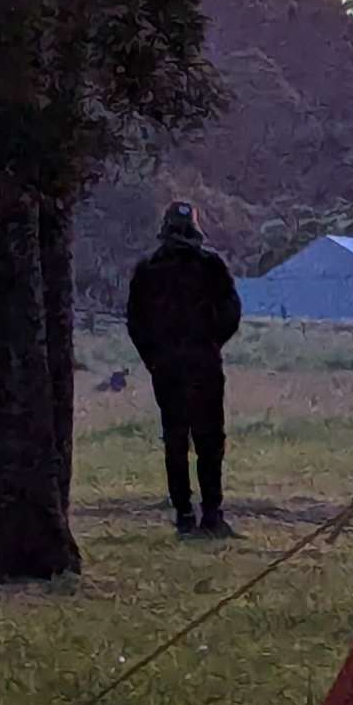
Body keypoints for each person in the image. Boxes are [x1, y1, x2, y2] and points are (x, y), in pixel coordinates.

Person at [124, 202, 243, 535]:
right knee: (209, 439)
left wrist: (154, 358)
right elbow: (231, 312)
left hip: (167, 367)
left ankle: (184, 514)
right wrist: (211, 343)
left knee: (176, 439)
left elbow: (136, 322)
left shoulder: (148, 270)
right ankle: (211, 513)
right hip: (203, 363)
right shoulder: (210, 266)